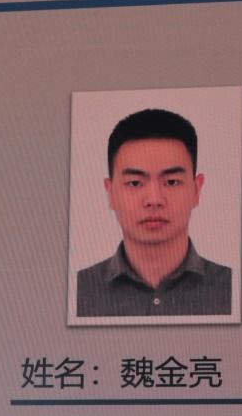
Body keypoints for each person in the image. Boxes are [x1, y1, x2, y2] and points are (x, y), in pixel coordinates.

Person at [76, 108, 232, 317]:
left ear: (196, 190)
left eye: (171, 182)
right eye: (135, 183)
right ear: (110, 192)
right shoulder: (76, 291)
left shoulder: (233, 290)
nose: (154, 200)